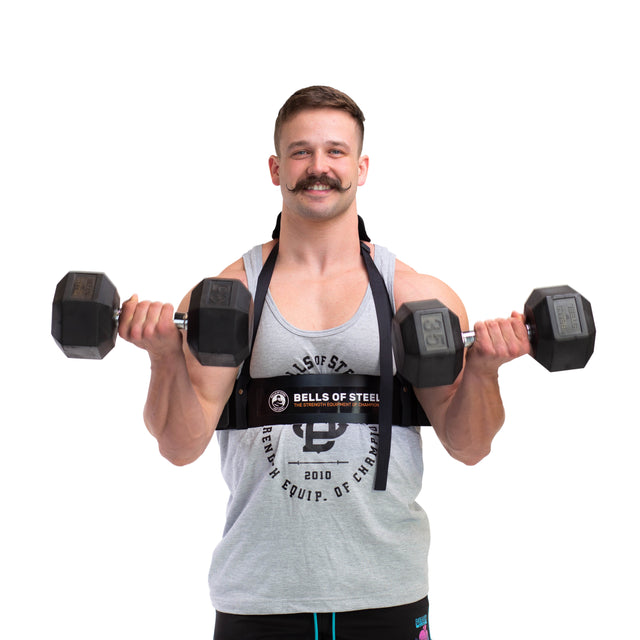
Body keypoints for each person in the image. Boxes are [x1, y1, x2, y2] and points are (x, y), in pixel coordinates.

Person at [118, 86, 532, 640]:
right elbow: (179, 445)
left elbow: (470, 445)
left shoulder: (416, 298)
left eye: (336, 152)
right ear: (275, 167)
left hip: (387, 590)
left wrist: (484, 369)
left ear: (361, 168)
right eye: (301, 152)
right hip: (259, 596)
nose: (319, 167)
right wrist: (165, 357)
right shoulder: (224, 298)